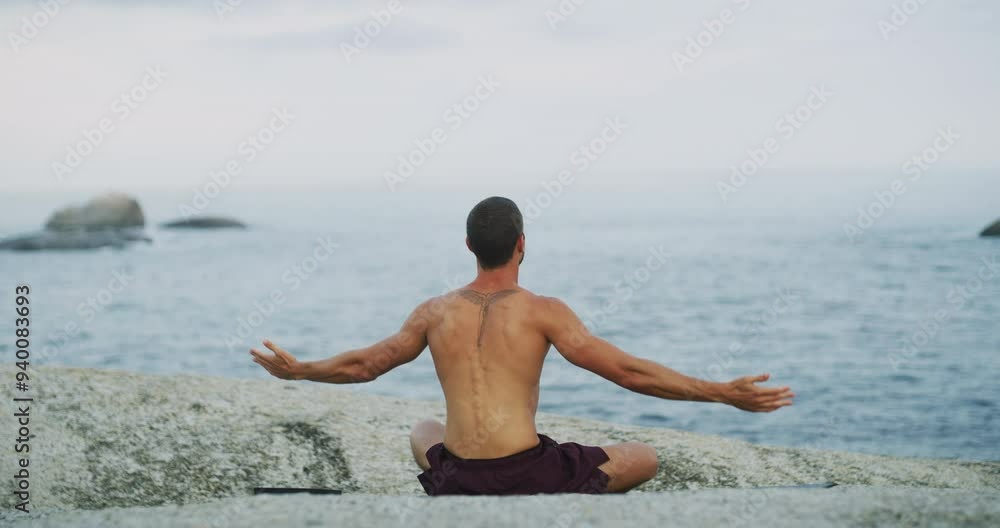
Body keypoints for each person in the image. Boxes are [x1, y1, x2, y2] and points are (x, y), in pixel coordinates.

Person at [250, 196, 795, 495]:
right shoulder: (544, 312)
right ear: (521, 244)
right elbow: (628, 373)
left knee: (423, 431)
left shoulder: (433, 311)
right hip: (526, 473)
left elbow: (367, 365)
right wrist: (720, 393)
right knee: (644, 457)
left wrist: (302, 371)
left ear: (469, 246)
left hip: (457, 477)